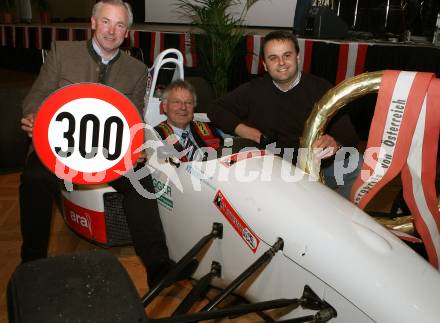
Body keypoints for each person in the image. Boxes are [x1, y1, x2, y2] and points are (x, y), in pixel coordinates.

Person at [19, 0, 171, 288]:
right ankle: (32, 262)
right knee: (33, 177)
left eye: (120, 25)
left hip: (107, 153)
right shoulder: (62, 52)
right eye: (106, 22)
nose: (111, 31)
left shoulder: (137, 70)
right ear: (93, 23)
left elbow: (133, 118)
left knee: (141, 179)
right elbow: (36, 95)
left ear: (127, 32)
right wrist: (33, 115)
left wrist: (136, 144)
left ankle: (157, 264)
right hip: (59, 148)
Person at [208, 30, 359, 198]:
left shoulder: (320, 88)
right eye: (273, 58)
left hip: (317, 166)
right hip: (273, 169)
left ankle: (337, 216)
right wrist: (246, 131)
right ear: (265, 65)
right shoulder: (254, 90)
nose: (281, 63)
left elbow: (350, 135)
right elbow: (215, 109)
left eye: (287, 55)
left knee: (356, 164)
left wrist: (334, 142)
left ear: (298, 58)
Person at [154, 80, 221, 161]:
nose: (183, 107)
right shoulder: (155, 137)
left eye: (188, 102)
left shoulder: (208, 129)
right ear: (164, 107)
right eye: (176, 102)